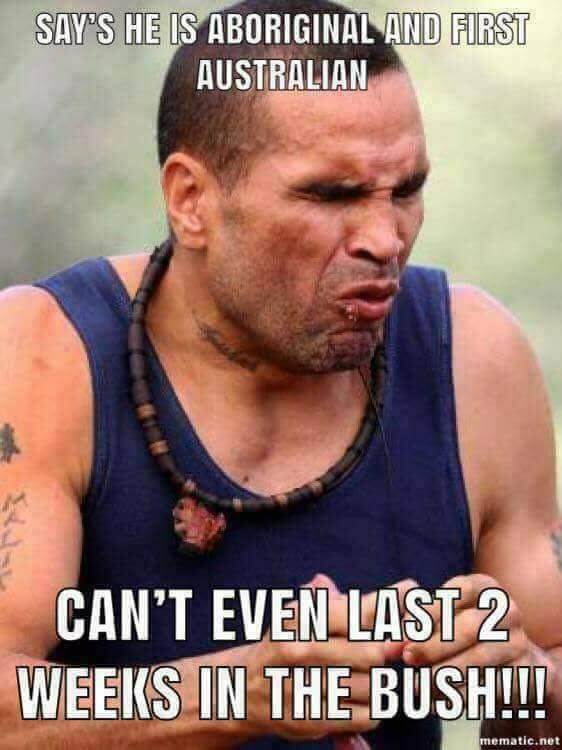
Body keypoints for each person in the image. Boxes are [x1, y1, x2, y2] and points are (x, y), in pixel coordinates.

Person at [0, 0, 560, 747]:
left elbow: (538, 719)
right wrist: (236, 695)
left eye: (405, 190)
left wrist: (523, 683)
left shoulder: (473, 360)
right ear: (191, 200)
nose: (385, 238)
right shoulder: (42, 355)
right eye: (332, 194)